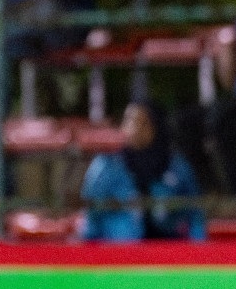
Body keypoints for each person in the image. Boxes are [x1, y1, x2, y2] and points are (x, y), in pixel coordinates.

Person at [82, 102, 205, 242]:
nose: (135, 128)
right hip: (118, 248)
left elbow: (195, 210)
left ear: (157, 127)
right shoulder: (106, 165)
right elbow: (91, 213)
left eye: (144, 123)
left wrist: (198, 246)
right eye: (129, 121)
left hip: (168, 246)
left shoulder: (176, 166)